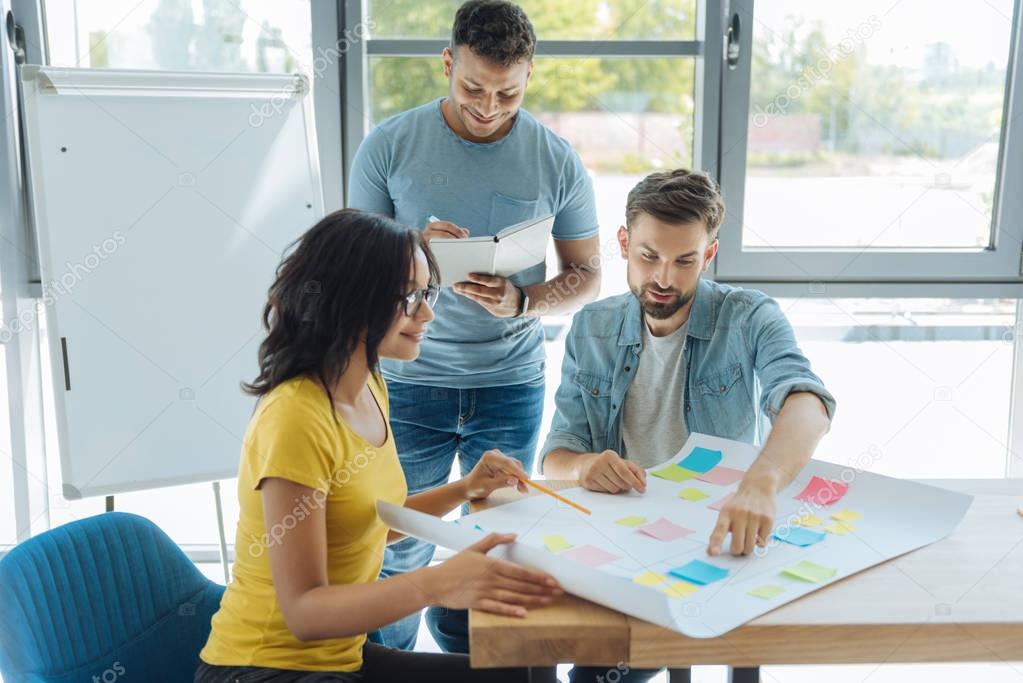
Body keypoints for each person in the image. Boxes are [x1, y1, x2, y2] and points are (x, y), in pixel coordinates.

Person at [194, 209, 561, 683]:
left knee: (526, 675)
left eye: (427, 292)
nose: (428, 312)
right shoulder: (294, 420)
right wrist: (436, 584)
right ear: (351, 299)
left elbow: (370, 523)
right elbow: (304, 613)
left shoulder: (369, 383)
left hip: (341, 658)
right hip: (266, 669)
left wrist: (465, 488)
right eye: (409, 296)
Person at [348, 0, 601, 650]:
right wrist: (407, 247)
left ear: (528, 77)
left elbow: (587, 273)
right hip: (407, 384)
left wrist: (523, 303)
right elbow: (350, 267)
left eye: (507, 93)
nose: (488, 106)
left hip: (509, 382)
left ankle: (476, 666)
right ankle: (387, 668)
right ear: (446, 64)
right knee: (397, 548)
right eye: (472, 88)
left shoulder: (555, 159)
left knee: (498, 546)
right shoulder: (388, 146)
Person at [537, 169, 836, 682]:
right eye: (649, 256)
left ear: (710, 254)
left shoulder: (749, 317)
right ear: (624, 243)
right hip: (626, 536)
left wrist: (761, 484)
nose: (664, 279)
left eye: (685, 261)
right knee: (583, 672)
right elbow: (556, 455)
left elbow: (806, 399)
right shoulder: (592, 327)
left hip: (721, 530)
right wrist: (585, 465)